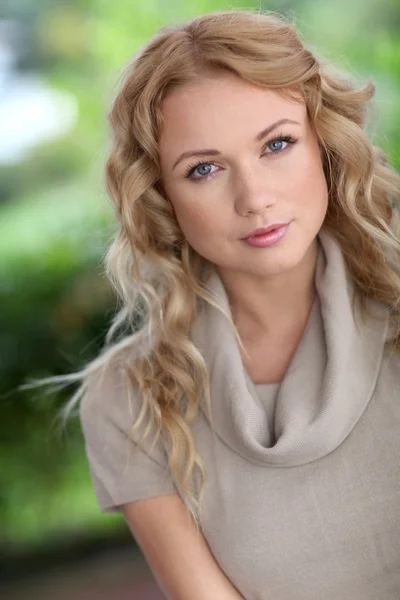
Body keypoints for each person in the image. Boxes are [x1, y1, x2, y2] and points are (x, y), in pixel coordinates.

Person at [54, 8, 400, 600]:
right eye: (205, 168)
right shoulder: (130, 399)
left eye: (278, 144)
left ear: (325, 143)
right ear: (160, 195)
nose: (255, 197)